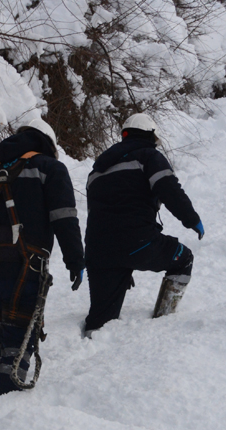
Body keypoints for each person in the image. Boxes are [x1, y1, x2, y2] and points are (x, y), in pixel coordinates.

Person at [0, 119, 84, 396]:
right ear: (48, 144)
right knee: (20, 334)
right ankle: (4, 403)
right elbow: (64, 217)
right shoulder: (50, 168)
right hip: (25, 264)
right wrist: (75, 260)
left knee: (0, 328)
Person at [83, 112, 204, 334]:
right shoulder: (148, 156)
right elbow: (169, 188)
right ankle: (165, 322)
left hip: (97, 250)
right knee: (183, 259)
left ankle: (89, 350)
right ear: (151, 135)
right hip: (137, 242)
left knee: (101, 322)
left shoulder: (96, 171)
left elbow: (95, 213)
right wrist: (192, 219)